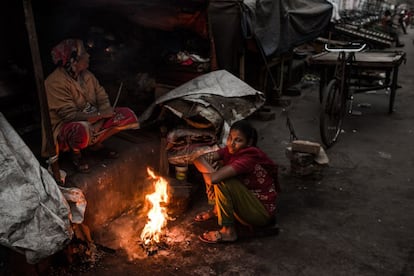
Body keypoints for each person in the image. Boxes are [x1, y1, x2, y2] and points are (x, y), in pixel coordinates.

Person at [42, 38, 139, 172]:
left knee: (126, 115)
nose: (88, 56)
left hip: (94, 119)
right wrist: (99, 116)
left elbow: (102, 96)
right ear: (72, 61)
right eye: (84, 54)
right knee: (82, 129)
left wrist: (105, 112)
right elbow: (69, 116)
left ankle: (95, 145)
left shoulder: (87, 75)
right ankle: (76, 154)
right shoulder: (54, 82)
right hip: (66, 127)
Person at [193, 120, 280, 243]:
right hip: (247, 201)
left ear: (249, 143)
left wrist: (211, 172)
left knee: (222, 179)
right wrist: (211, 170)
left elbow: (213, 178)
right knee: (214, 169)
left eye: (238, 140)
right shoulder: (230, 150)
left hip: (260, 212)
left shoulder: (248, 158)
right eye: (230, 138)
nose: (231, 144)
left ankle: (228, 232)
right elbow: (199, 159)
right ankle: (216, 210)